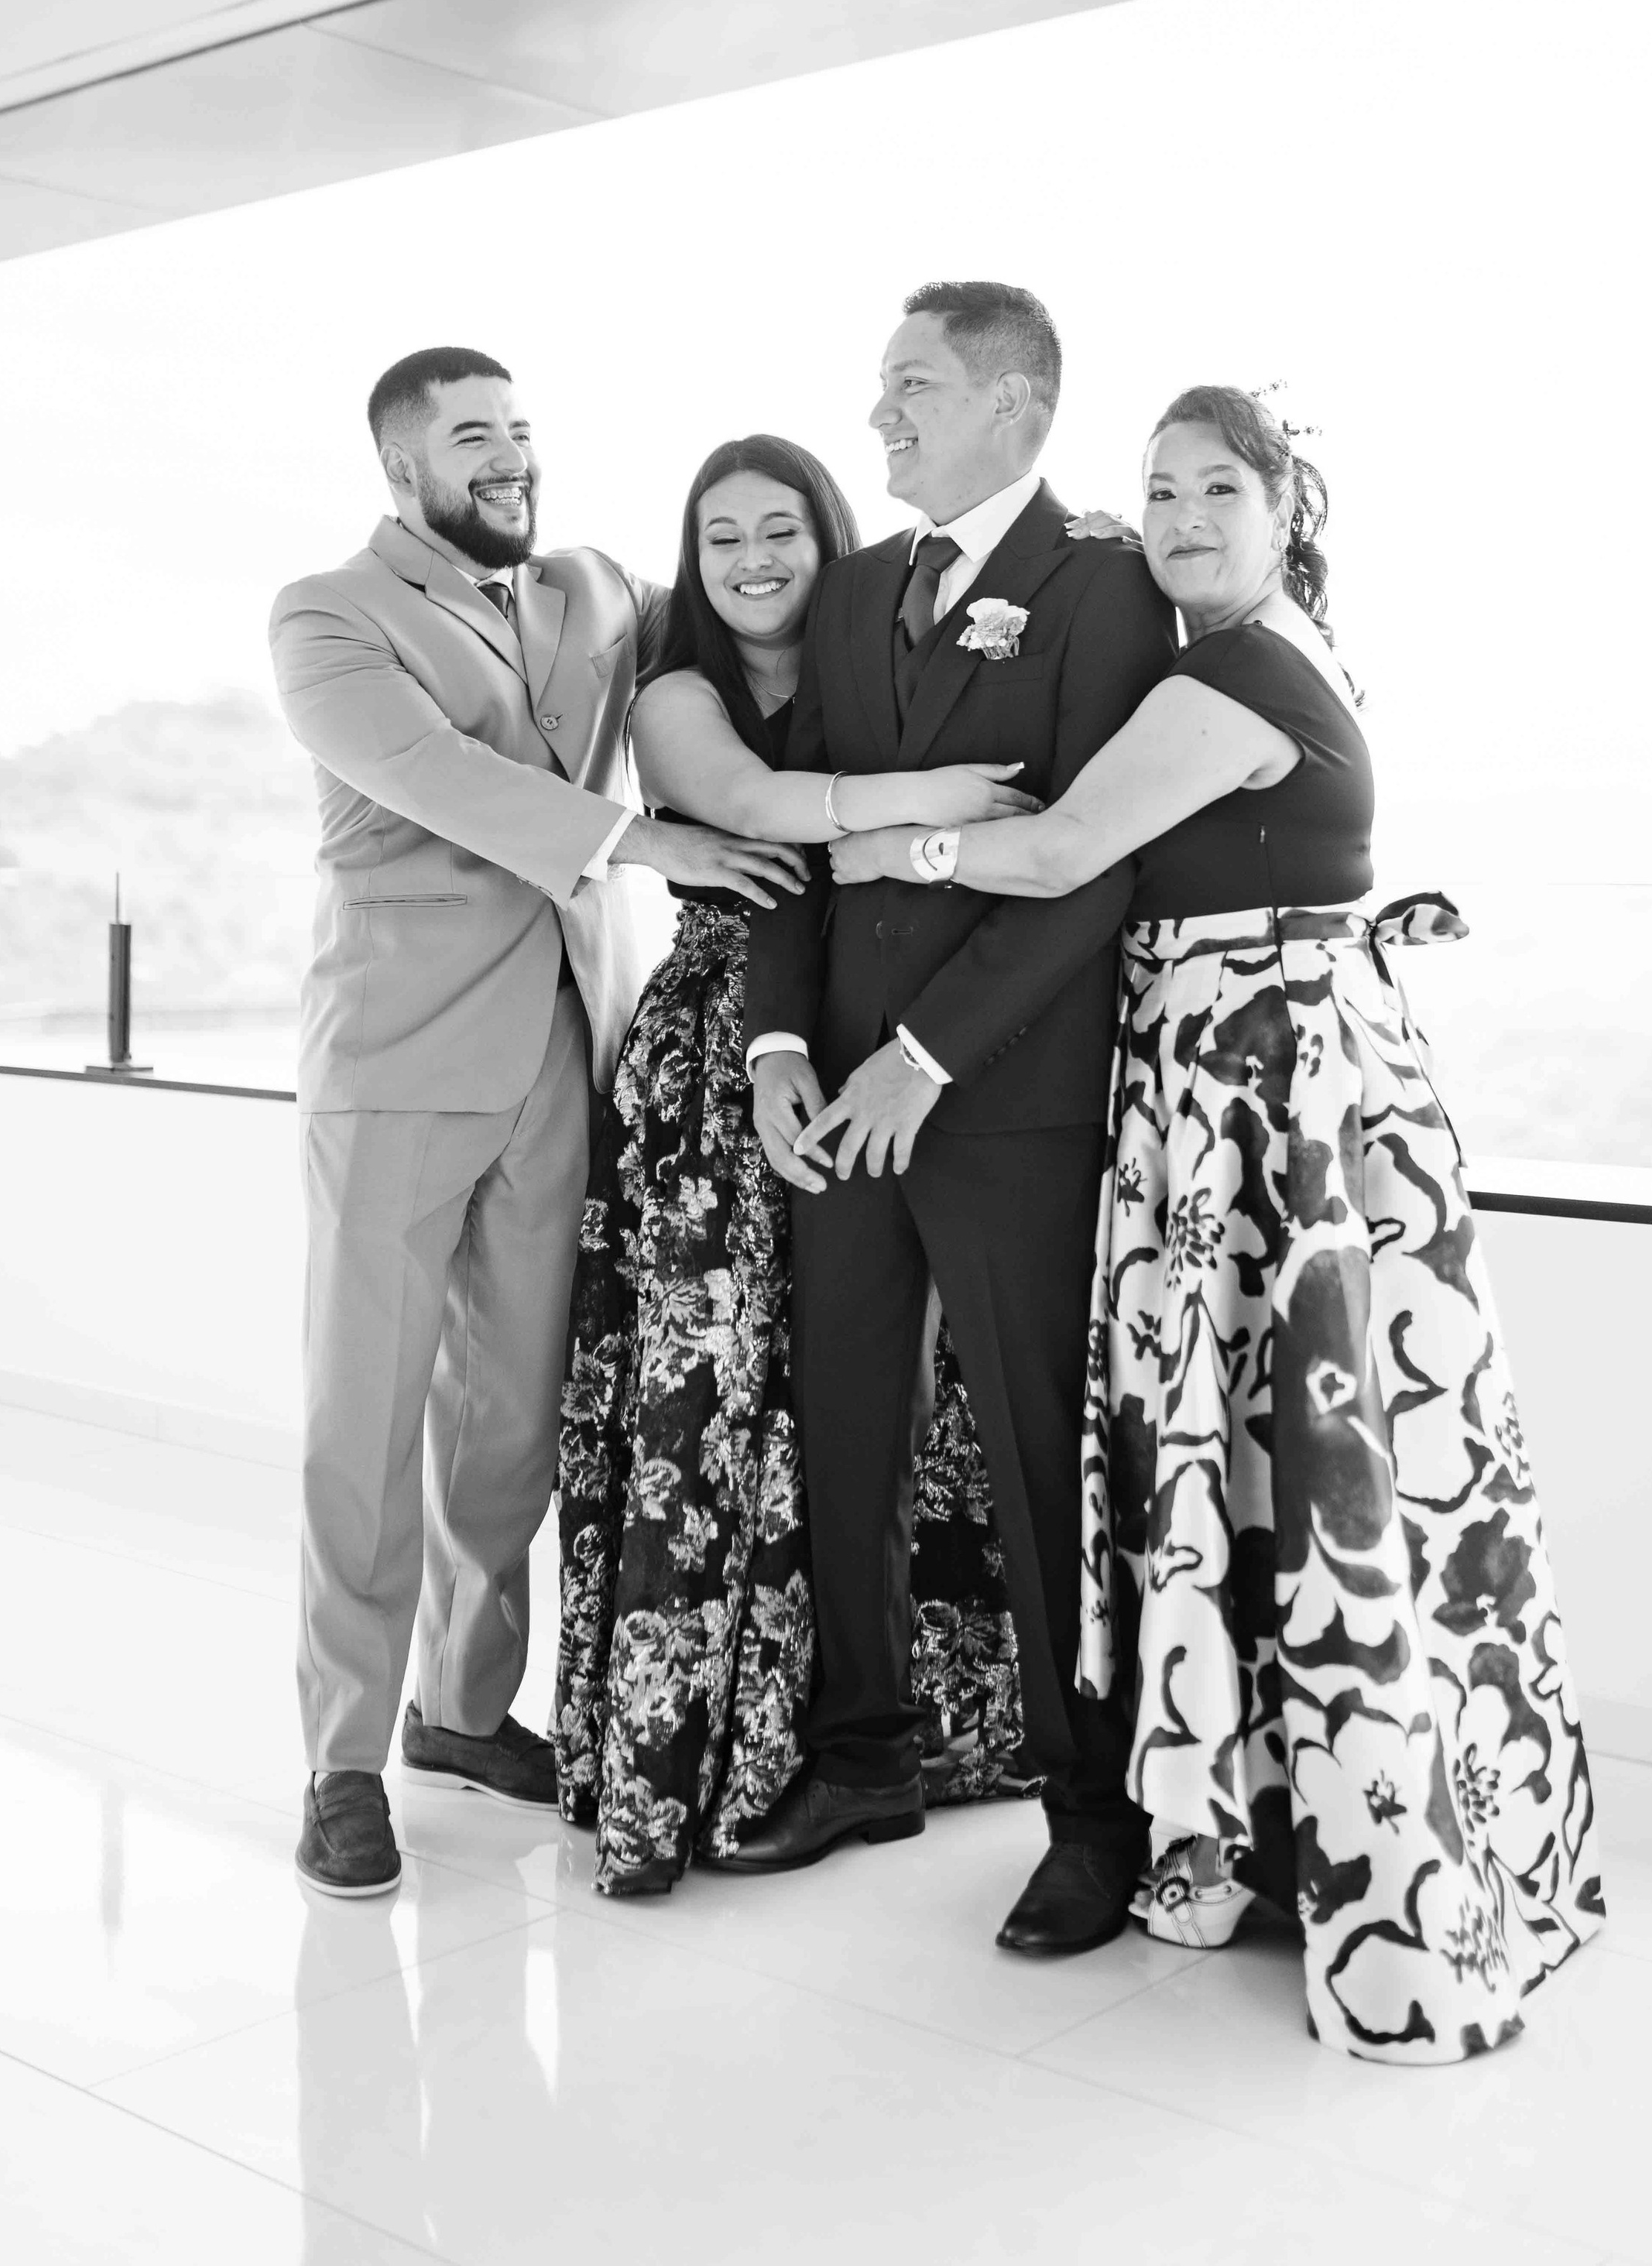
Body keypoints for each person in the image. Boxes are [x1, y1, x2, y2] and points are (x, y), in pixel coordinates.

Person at [830, 382, 1605, 2058]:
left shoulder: (1228, 671)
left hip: (1259, 1093)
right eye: (1157, 493)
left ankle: (1354, 1860)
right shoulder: (1286, 648)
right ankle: (1296, 1828)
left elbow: (1055, 860)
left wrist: (873, 836)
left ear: (1280, 512)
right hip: (1278, 1077)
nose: (1179, 520)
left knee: (1292, 1459)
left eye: (1213, 494)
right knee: (1280, 1460)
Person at [269, 346, 804, 1901]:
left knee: (510, 1419)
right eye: (469, 439)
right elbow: (436, 777)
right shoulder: (326, 615)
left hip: (559, 1064)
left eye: (519, 430)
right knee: (361, 1430)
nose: (507, 458)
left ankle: (457, 1705)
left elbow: (749, 587)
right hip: (393, 1060)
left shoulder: (590, 590)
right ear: (401, 469)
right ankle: (341, 1762)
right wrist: (658, 844)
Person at [730, 283, 1179, 1962]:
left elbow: (1093, 863)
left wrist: (921, 1057)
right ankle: (862, 1757)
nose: (881, 418)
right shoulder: (855, 594)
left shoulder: (1106, 586)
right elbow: (798, 836)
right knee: (843, 1423)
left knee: (1026, 1455)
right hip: (833, 1086)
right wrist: (782, 1043)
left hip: (1001, 1101)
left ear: (1013, 402)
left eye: (909, 387)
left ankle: (1090, 1817)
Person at [554, 434, 1050, 1895]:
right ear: (693, 563)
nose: (754, 558)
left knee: (861, 1401)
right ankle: (704, 1751)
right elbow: (764, 817)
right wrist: (937, 799)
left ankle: (891, 1731)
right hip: (723, 1054)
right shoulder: (680, 691)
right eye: (722, 538)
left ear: (828, 539)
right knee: (712, 1397)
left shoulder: (870, 664)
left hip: (880, 1044)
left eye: (781, 529)